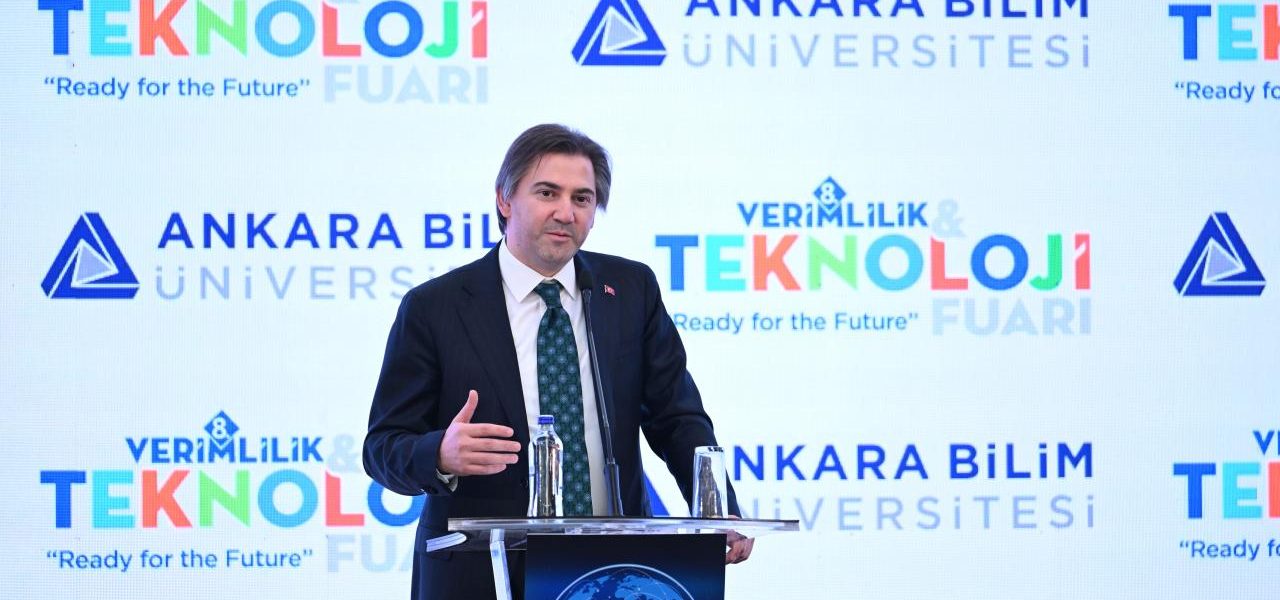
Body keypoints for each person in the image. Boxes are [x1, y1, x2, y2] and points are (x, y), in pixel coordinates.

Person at [363, 124, 752, 600]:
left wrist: (715, 504)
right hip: (481, 574)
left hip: (613, 573)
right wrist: (439, 454)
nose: (566, 212)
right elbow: (382, 447)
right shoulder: (435, 307)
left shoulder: (630, 290)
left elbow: (676, 416)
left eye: (582, 199)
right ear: (505, 199)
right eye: (547, 193)